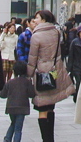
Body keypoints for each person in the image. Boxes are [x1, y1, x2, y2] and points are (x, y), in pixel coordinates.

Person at [27, 10, 75, 141]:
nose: (35, 20)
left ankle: (46, 139)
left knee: (42, 109)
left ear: (43, 19)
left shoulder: (36, 36)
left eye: (37, 17)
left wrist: (29, 74)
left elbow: (32, 58)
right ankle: (51, 138)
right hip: (54, 73)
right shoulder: (56, 32)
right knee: (51, 107)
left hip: (41, 74)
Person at [0, 60, 36, 142]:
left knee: (13, 123)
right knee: (18, 128)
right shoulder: (27, 82)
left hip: (11, 108)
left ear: (14, 71)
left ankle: (7, 139)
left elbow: (3, 94)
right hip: (22, 108)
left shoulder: (10, 82)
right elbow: (31, 94)